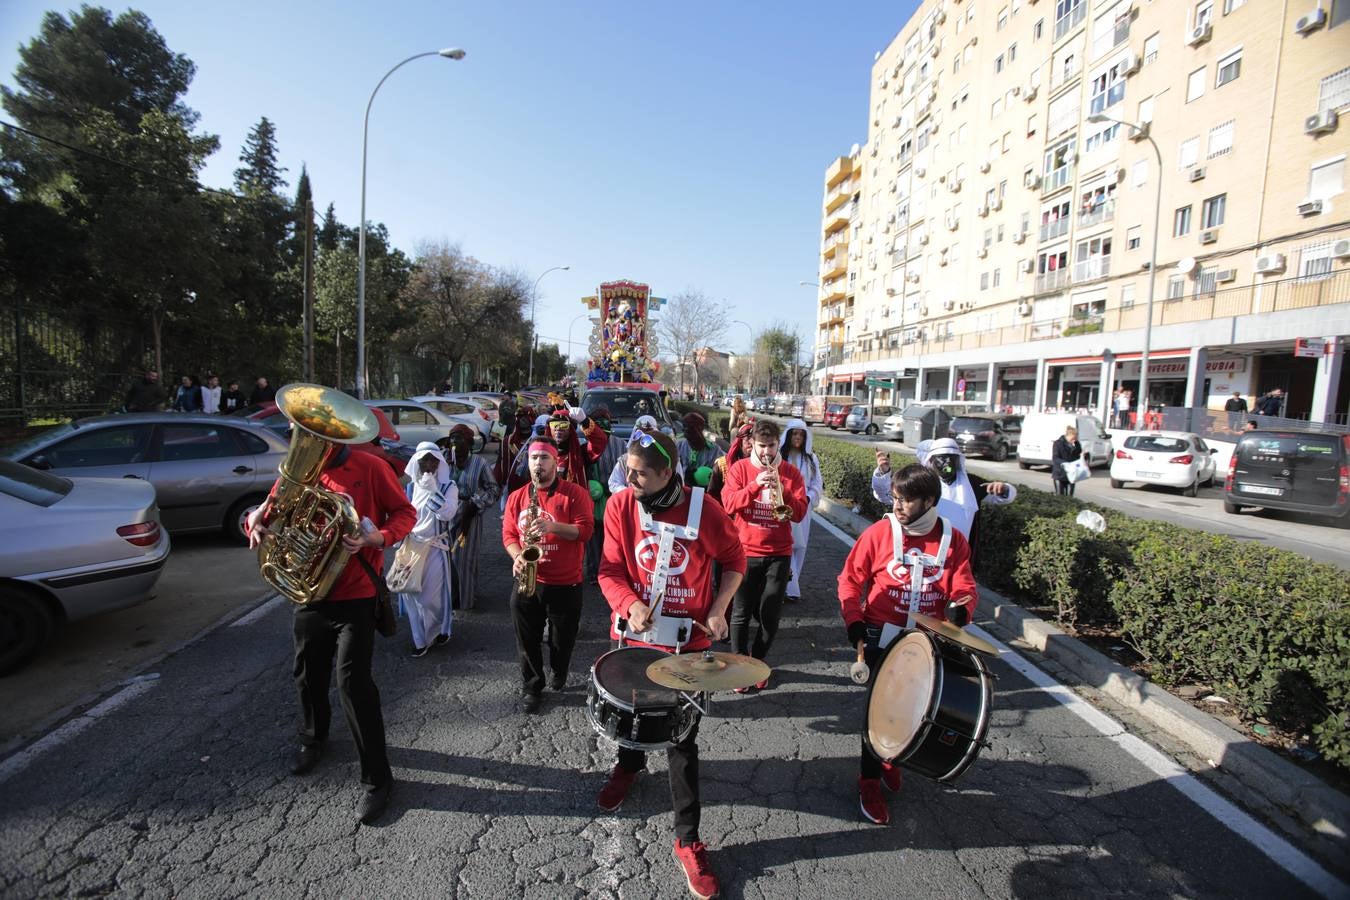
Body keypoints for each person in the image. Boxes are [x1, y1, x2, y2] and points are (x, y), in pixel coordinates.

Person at [595, 429, 746, 900]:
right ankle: (628, 765)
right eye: (626, 469)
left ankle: (688, 839)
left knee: (682, 742)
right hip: (636, 639)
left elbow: (735, 559)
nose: (629, 478)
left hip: (688, 647)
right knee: (633, 717)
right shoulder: (621, 506)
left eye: (639, 473)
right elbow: (609, 570)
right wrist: (628, 603)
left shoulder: (705, 508)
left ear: (667, 472)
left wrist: (720, 608)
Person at [246, 438, 415, 825]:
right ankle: (313, 739)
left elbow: (405, 512)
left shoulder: (371, 467)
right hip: (310, 593)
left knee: (353, 685)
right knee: (307, 674)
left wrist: (376, 538)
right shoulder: (298, 470)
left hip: (356, 596)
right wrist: (254, 519)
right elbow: (269, 513)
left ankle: (378, 780)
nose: (304, 436)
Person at [837, 464, 977, 825]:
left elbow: (964, 588)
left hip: (928, 645)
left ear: (930, 501)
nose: (898, 506)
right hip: (881, 638)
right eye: (895, 499)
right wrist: (854, 622)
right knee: (877, 714)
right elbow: (850, 581)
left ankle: (891, 759)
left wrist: (961, 610)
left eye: (907, 500)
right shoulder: (879, 533)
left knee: (915, 712)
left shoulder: (954, 540)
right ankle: (869, 780)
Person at [501, 440, 594, 713]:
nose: (537, 464)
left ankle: (559, 668)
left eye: (543, 458)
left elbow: (586, 531)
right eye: (533, 459)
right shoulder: (518, 497)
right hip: (529, 579)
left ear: (556, 463)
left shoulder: (574, 494)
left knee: (561, 639)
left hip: (566, 582)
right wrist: (517, 555)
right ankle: (532, 685)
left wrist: (553, 526)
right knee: (526, 637)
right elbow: (508, 534)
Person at [720, 419, 809, 689]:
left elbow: (800, 513)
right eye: (762, 446)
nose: (767, 452)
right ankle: (738, 667)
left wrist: (783, 492)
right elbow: (728, 504)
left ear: (777, 444)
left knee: (770, 614)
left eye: (771, 446)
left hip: (779, 553)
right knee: (741, 611)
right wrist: (755, 486)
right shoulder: (739, 469)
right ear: (753, 445)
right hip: (744, 552)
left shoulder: (791, 473)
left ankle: (757, 663)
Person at [870, 438, 1015, 567]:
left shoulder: (971, 483)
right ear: (931, 460)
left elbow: (1001, 497)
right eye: (941, 458)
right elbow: (887, 496)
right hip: (923, 552)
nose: (947, 463)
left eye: (950, 458)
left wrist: (1004, 490)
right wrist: (884, 473)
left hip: (958, 555)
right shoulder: (921, 482)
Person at [393, 443, 458, 657]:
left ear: (439, 463)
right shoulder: (410, 488)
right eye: (424, 461)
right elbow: (402, 517)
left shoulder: (449, 487)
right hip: (411, 547)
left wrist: (434, 491)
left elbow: (447, 514)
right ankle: (420, 641)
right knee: (411, 594)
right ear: (417, 463)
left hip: (435, 548)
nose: (429, 465)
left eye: (433, 461)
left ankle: (438, 629)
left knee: (430, 598)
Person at [440, 424, 499, 611]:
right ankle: (448, 597)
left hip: (469, 514)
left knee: (464, 559)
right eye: (452, 438)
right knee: (443, 558)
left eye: (458, 438)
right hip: (443, 516)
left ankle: (465, 599)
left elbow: (493, 489)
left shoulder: (479, 463)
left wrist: (475, 503)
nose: (454, 442)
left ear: (469, 442)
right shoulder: (443, 460)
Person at [780, 418, 823, 602]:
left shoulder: (811, 459)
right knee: (784, 545)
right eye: (794, 434)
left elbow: (816, 483)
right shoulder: (779, 457)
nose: (797, 438)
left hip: (803, 508)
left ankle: (791, 587)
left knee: (800, 546)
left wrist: (808, 498)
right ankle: (781, 586)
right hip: (782, 506)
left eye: (801, 435)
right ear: (788, 436)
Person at [584, 405, 620, 582]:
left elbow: (626, 470)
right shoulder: (585, 446)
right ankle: (593, 573)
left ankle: (611, 573)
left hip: (613, 499)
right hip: (592, 499)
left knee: (612, 538)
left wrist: (610, 487)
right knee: (592, 537)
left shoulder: (620, 444)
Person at [607, 415, 665, 493]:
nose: (643, 438)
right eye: (640, 434)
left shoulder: (665, 459)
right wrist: (632, 493)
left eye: (648, 435)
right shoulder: (625, 460)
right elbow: (614, 483)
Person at [707, 420, 754, 505]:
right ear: (740, 443)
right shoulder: (721, 464)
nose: (752, 444)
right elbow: (712, 496)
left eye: (755, 441)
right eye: (748, 440)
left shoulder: (763, 466)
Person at [676, 412, 724, 488]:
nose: (684, 429)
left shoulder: (714, 450)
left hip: (705, 491)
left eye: (689, 427)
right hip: (682, 489)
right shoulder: (679, 445)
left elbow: (722, 471)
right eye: (684, 426)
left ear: (699, 428)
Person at [1051, 425, 1083, 496]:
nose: (1074, 440)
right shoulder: (1058, 443)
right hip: (1060, 474)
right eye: (1073, 438)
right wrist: (1065, 463)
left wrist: (1081, 456)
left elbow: (1077, 457)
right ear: (1068, 436)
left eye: (1076, 439)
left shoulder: (1076, 445)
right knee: (1060, 496)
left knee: (1069, 496)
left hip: (1071, 475)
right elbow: (1055, 458)